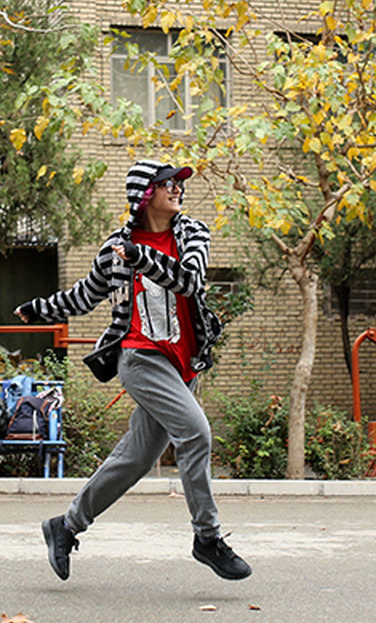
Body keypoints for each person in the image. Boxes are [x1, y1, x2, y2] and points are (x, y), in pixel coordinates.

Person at [16, 159, 249, 582]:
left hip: (183, 364)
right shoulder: (116, 249)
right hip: (140, 359)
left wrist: (143, 257)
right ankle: (208, 537)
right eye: (167, 184)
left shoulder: (191, 234)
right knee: (196, 432)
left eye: (178, 184)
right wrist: (38, 309)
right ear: (145, 194)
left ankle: (65, 527)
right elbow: (84, 297)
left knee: (135, 458)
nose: (177, 189)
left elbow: (189, 282)